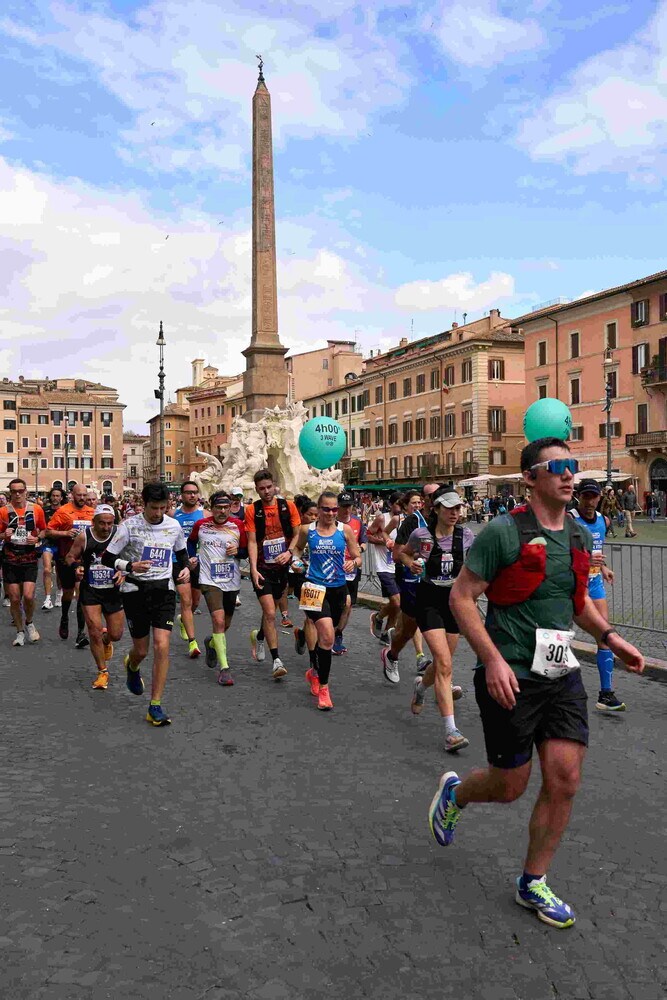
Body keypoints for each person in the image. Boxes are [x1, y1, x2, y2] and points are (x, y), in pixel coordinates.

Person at [429, 437, 644, 929]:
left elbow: (577, 605)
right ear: (530, 478)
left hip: (559, 672)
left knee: (565, 779)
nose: (570, 475)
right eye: (559, 467)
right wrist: (494, 660)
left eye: (573, 466)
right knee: (510, 786)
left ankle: (533, 881)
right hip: (510, 675)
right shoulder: (501, 533)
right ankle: (456, 795)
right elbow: (462, 599)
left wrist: (612, 637)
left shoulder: (577, 537)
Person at [101, 481, 190, 726]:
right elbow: (107, 558)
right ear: (144, 504)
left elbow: (181, 554)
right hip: (135, 591)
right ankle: (132, 664)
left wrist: (184, 570)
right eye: (153, 508)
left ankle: (155, 705)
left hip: (163, 590)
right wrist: (129, 566)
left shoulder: (173, 526)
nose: (158, 513)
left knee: (162, 646)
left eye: (163, 508)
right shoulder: (129, 527)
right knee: (141, 650)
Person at [398, 489, 474, 750]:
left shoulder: (466, 536)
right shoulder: (421, 535)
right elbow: (403, 553)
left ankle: (421, 687)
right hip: (429, 598)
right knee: (443, 662)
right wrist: (411, 564)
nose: (455, 513)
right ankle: (451, 730)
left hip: (453, 601)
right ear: (437, 509)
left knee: (444, 665)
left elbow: (475, 565)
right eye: (449, 508)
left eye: (458, 508)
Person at [289, 491, 362, 710]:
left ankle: (313, 672)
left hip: (338, 588)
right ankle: (324, 688)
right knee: (328, 637)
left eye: (334, 509)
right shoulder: (307, 530)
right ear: (318, 510)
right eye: (326, 509)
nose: (330, 513)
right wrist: (296, 562)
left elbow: (357, 555)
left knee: (332, 631)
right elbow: (298, 549)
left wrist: (354, 563)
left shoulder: (345, 530)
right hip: (313, 588)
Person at [569, 480, 624, 712]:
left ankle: (606, 693)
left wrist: (603, 568)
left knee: (605, 635)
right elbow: (557, 554)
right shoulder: (569, 520)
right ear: (578, 496)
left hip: (594, 583)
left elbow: (596, 552)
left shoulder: (603, 521)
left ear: (599, 497)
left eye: (594, 497)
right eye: (586, 496)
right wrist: (584, 562)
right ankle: (554, 690)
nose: (590, 502)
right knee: (558, 635)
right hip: (570, 585)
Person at [383, 483, 444, 681]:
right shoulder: (412, 522)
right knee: (408, 630)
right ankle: (392, 655)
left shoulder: (446, 520)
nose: (437, 498)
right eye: (432, 495)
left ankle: (444, 677)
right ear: (426, 499)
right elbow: (396, 554)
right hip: (412, 581)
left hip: (437, 583)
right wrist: (413, 559)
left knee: (437, 628)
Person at [245, 469, 301, 679]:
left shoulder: (288, 506)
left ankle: (259, 637)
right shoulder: (253, 510)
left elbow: (295, 535)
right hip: (262, 568)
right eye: (262, 489)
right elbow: (251, 540)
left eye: (269, 487)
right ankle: (276, 660)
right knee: (269, 613)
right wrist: (252, 568)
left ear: (275, 485)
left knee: (273, 610)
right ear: (257, 489)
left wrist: (289, 553)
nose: (266, 491)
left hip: (281, 566)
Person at [190, 491, 246, 686]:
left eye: (225, 507)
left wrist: (238, 551)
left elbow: (247, 551)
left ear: (230, 507)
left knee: (225, 624)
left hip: (231, 580)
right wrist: (191, 557)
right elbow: (190, 542)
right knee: (218, 620)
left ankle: (212, 642)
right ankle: (224, 669)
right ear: (211, 508)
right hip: (208, 578)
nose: (222, 511)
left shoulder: (238, 526)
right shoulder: (201, 525)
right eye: (218, 508)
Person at [65, 504, 124, 690]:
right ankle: (102, 672)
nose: (106, 527)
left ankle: (108, 640)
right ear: (93, 522)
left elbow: (131, 558)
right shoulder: (85, 536)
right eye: (102, 523)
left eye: (109, 523)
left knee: (116, 634)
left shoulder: (120, 535)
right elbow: (69, 557)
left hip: (113, 590)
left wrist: (124, 573)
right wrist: (77, 568)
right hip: (91, 590)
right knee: (94, 631)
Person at [46, 485, 96, 648]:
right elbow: (49, 531)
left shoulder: (92, 512)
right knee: (68, 593)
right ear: (72, 495)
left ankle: (81, 633)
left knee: (82, 595)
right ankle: (65, 616)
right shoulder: (63, 511)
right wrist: (65, 533)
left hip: (86, 559)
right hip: (66, 557)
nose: (82, 498)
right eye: (79, 495)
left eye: (84, 495)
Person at [0, 478, 47, 646]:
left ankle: (29, 622)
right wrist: (4, 535)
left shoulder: (36, 509)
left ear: (26, 491)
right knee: (14, 598)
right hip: (10, 556)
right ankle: (19, 631)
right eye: (14, 491)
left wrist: (36, 537)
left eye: (21, 491)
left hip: (29, 556)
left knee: (28, 595)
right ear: (10, 492)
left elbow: (43, 530)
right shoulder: (3, 511)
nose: (18, 494)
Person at [331, 491, 367, 655]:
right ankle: (314, 632)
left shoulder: (357, 522)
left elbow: (364, 542)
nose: (346, 510)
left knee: (348, 604)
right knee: (332, 604)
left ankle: (337, 634)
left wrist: (359, 550)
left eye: (349, 506)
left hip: (351, 569)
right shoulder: (331, 522)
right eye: (343, 507)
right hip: (332, 569)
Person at [172, 481, 205, 658]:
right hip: (178, 561)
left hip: (199, 562)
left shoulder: (204, 514)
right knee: (185, 600)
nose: (192, 495)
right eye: (188, 492)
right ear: (182, 495)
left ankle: (184, 620)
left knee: (195, 601)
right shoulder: (173, 514)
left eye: (194, 492)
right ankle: (193, 642)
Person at [367, 492, 402, 643]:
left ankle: (386, 633)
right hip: (384, 566)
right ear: (391, 504)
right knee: (396, 602)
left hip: (399, 565)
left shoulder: (406, 520)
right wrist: (384, 542)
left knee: (398, 604)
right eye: (398, 504)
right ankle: (378, 616)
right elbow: (368, 535)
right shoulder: (383, 518)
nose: (400, 507)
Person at [291, 497, 319, 674]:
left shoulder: (329, 531)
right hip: (305, 578)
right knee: (311, 618)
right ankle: (313, 658)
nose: (314, 518)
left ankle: (302, 634)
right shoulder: (303, 531)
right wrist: (295, 562)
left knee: (329, 620)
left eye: (317, 515)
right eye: (310, 514)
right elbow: (295, 551)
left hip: (327, 580)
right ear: (303, 515)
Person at [41, 486, 65, 610]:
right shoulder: (44, 510)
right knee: (46, 569)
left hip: (61, 544)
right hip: (48, 543)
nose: (55, 498)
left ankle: (59, 594)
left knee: (60, 572)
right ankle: (47, 598)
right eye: (53, 495)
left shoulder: (65, 510)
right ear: (50, 497)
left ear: (61, 498)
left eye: (57, 496)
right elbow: (40, 526)